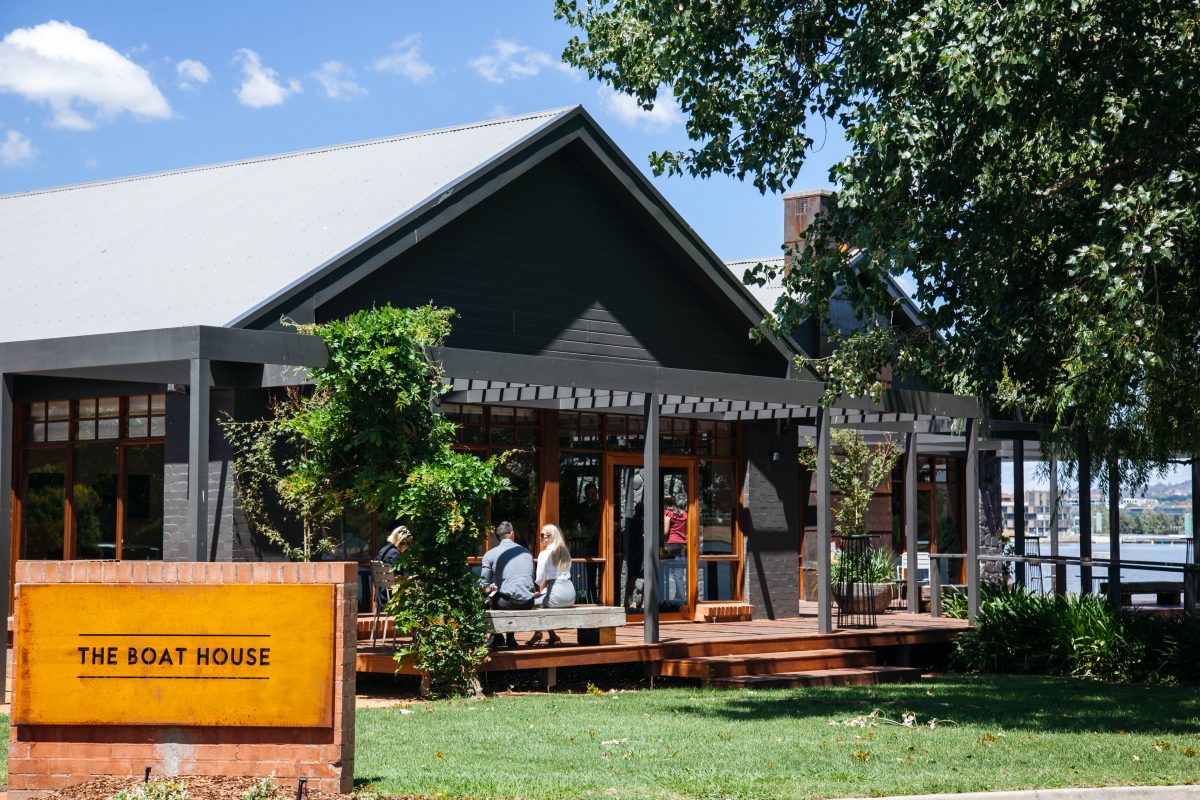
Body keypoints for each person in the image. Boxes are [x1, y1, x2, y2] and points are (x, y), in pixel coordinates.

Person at [479, 521, 536, 649]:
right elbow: (527, 580)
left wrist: (491, 588)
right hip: (528, 602)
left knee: (490, 597)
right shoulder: (526, 552)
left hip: (507, 603)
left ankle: (497, 636)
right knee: (510, 592)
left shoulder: (490, 554)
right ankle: (510, 638)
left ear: (498, 537)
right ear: (512, 534)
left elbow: (484, 585)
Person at [527, 524, 576, 646]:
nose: (540, 538)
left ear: (551, 537)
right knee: (545, 601)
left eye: (542, 535)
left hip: (556, 595)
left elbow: (539, 580)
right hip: (570, 595)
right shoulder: (566, 552)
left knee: (530, 603)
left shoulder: (544, 554)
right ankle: (552, 635)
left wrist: (533, 591)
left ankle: (538, 632)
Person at [373, 526, 411, 608]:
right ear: (403, 540)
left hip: (380, 596)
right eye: (409, 542)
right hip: (390, 598)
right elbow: (394, 578)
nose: (409, 546)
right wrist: (410, 578)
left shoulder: (384, 550)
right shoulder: (394, 554)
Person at [663, 494, 688, 559]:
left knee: (669, 566)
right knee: (680, 565)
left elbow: (666, 532)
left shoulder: (667, 513)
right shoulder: (683, 513)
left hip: (671, 543)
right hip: (683, 543)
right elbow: (686, 529)